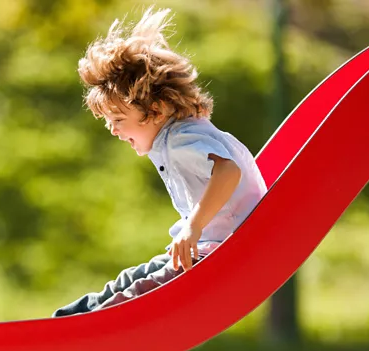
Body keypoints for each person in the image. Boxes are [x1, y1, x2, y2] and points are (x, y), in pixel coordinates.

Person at [52, 7, 268, 317]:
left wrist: (192, 228)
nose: (112, 129)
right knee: (132, 279)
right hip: (207, 247)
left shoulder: (181, 140)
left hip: (219, 254)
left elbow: (228, 170)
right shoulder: (182, 134)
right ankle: (74, 316)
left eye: (118, 118)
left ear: (157, 108)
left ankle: (80, 326)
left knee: (141, 291)